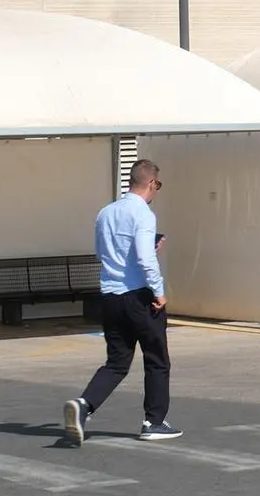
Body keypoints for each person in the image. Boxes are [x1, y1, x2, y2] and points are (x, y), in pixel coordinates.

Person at [63, 159, 179, 444]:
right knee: (156, 359)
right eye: (158, 185)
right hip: (140, 296)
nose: (156, 191)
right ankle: (153, 421)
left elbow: (101, 253)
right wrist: (159, 290)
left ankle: (84, 405)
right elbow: (143, 256)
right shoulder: (144, 214)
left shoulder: (106, 212)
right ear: (150, 183)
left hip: (110, 296)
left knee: (116, 362)